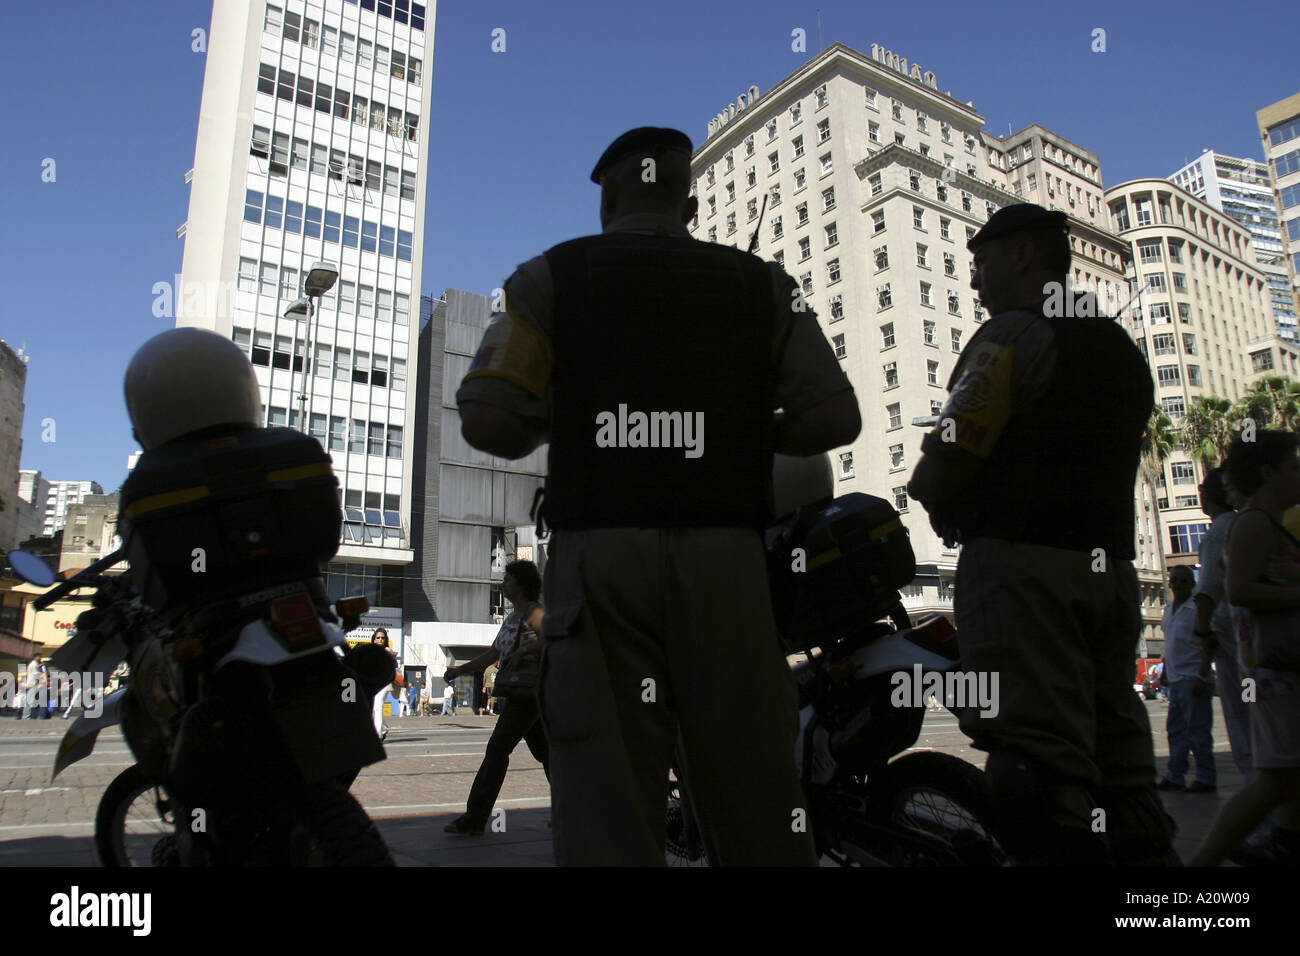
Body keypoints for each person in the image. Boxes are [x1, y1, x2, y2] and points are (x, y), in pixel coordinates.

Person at [456, 127, 859, 865]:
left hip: (599, 565)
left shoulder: (548, 280)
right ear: (693, 204)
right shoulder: (762, 285)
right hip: (729, 564)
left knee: (607, 807)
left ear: (607, 197)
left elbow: (489, 418)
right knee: (757, 801)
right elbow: (837, 416)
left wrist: (578, 420)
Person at [908, 202, 1178, 866]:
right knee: (1119, 755)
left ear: (1022, 257)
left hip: (1024, 573)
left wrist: (931, 489)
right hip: (1110, 572)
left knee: (1036, 761)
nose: (974, 282)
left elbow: (953, 450)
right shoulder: (1120, 350)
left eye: (982, 265)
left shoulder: (1010, 336)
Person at [1191, 432, 1300, 866]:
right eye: (1292, 468)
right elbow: (1238, 590)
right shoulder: (1252, 523)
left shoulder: (1267, 521)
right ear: (1267, 473)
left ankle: (1286, 843)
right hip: (1276, 672)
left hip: (1284, 668)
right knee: (1273, 780)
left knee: (1286, 775)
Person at [442, 560, 549, 836]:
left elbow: (554, 637)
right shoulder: (512, 617)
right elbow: (493, 654)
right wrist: (460, 670)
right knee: (548, 755)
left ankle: (475, 817)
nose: (504, 584)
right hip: (521, 692)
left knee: (497, 749)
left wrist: (524, 652)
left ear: (523, 584)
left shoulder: (534, 612)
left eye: (508, 579)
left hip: (529, 693)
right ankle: (573, 809)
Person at [1194, 467, 1252, 780]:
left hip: (1229, 640)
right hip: (1245, 638)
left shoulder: (1218, 532)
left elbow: (1206, 593)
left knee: (1242, 724)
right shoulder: (1239, 524)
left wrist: (1202, 633)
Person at [1156, 565, 1216, 793]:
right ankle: (1175, 775)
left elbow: (1209, 644)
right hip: (1174, 679)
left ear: (1192, 584)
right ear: (1169, 584)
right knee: (1176, 731)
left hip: (1193, 679)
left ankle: (1205, 777)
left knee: (1198, 732)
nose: (1178, 585)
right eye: (1175, 581)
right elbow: (1170, 645)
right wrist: (1164, 672)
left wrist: (1202, 674)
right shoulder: (1169, 609)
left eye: (1183, 581)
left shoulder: (1196, 609)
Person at [370, 629, 396, 740]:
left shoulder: (387, 650)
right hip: (374, 683)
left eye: (382, 638)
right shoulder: (370, 650)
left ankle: (378, 734)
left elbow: (394, 664)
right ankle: (384, 728)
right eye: (378, 637)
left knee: (378, 705)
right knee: (374, 707)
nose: (380, 640)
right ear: (374, 639)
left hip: (384, 682)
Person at [21, 654, 44, 720]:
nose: (40, 658)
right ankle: (26, 716)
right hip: (32, 684)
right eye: (39, 657)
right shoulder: (34, 664)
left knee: (30, 701)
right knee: (29, 701)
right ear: (35, 657)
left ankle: (28, 715)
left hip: (31, 684)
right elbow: (37, 674)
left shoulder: (34, 664)